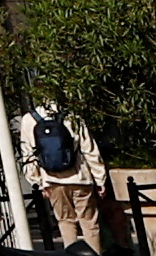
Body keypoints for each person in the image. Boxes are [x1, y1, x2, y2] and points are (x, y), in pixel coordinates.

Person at [24, 92, 102, 249]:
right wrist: (100, 179)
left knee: (66, 222)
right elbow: (89, 149)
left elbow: (28, 153)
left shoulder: (29, 119)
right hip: (80, 178)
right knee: (89, 223)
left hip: (52, 179)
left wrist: (38, 182)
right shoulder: (72, 116)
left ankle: (71, 252)